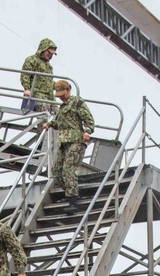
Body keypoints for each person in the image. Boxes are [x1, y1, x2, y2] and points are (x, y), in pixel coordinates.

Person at [44, 80, 95, 213]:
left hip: (76, 141)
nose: (60, 96)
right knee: (55, 171)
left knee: (68, 170)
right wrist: (50, 124)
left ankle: (73, 200)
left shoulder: (77, 102)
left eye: (62, 93)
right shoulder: (62, 107)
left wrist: (88, 131)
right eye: (58, 94)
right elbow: (61, 123)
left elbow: (88, 118)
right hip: (63, 143)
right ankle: (71, 193)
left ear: (68, 90)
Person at [21, 38, 57, 112]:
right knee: (43, 108)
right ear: (43, 49)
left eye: (52, 54)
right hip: (37, 94)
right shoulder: (32, 60)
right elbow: (25, 75)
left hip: (49, 96)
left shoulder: (49, 66)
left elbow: (48, 81)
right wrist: (27, 89)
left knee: (59, 113)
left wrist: (58, 86)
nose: (50, 55)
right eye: (49, 52)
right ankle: (43, 124)